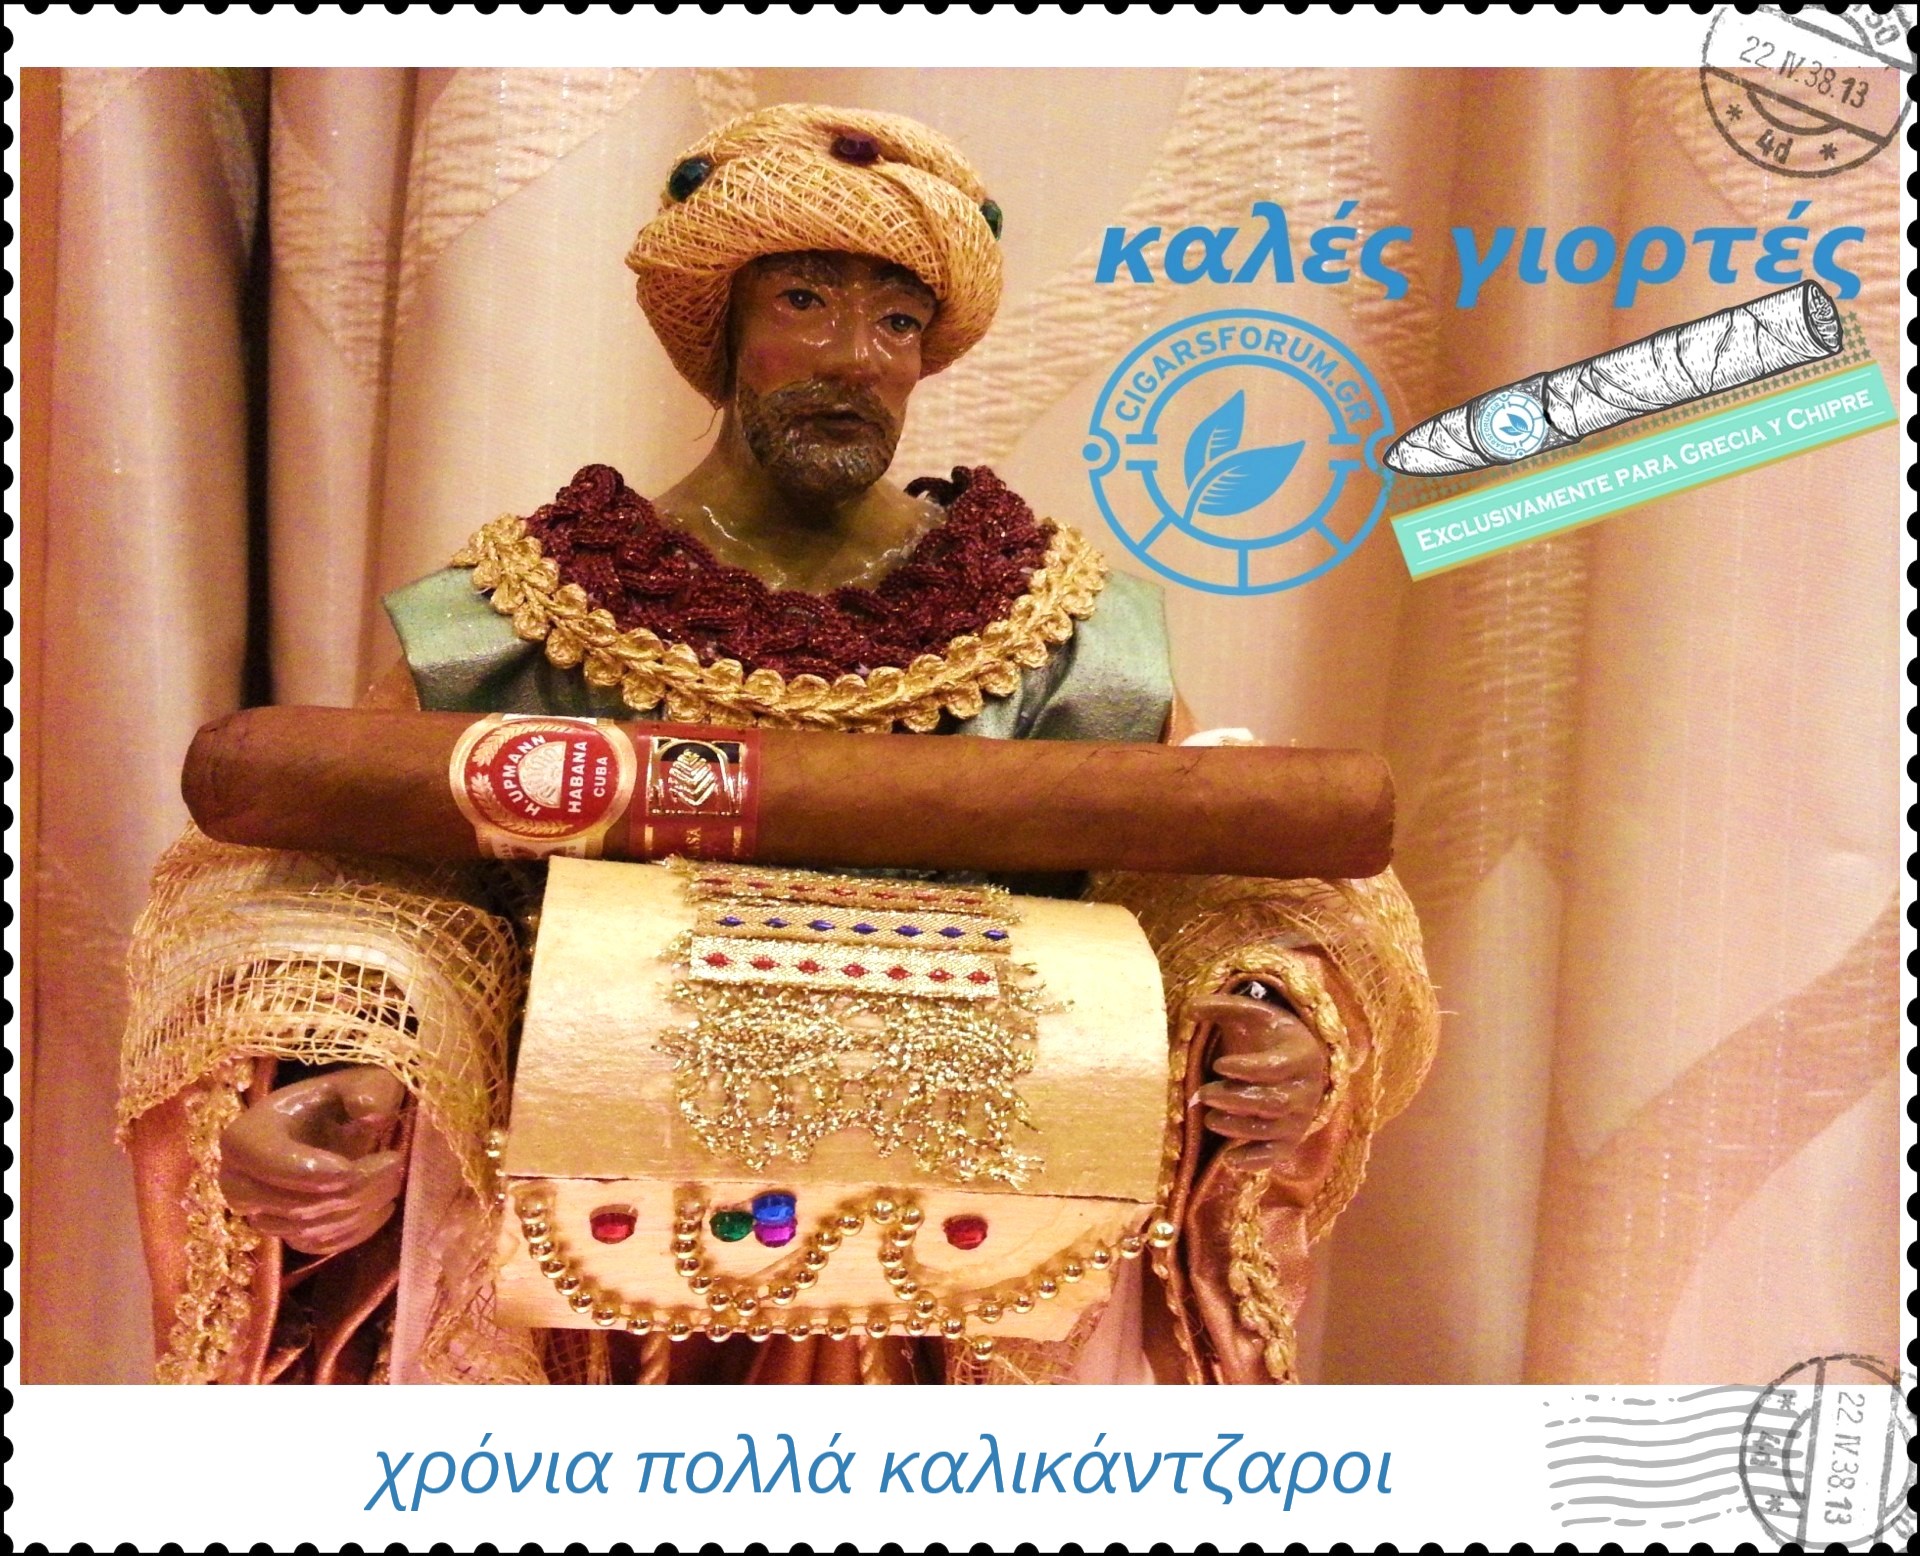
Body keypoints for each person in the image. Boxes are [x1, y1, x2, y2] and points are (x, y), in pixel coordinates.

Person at [119, 103, 1437, 1385]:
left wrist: (1265, 1010)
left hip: (962, 1291)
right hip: (590, 1290)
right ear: (723, 330)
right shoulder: (512, 624)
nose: (855, 355)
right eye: (806, 302)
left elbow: (1211, 872)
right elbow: (364, 891)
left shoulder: (1065, 636)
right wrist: (344, 1058)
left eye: (897, 319)